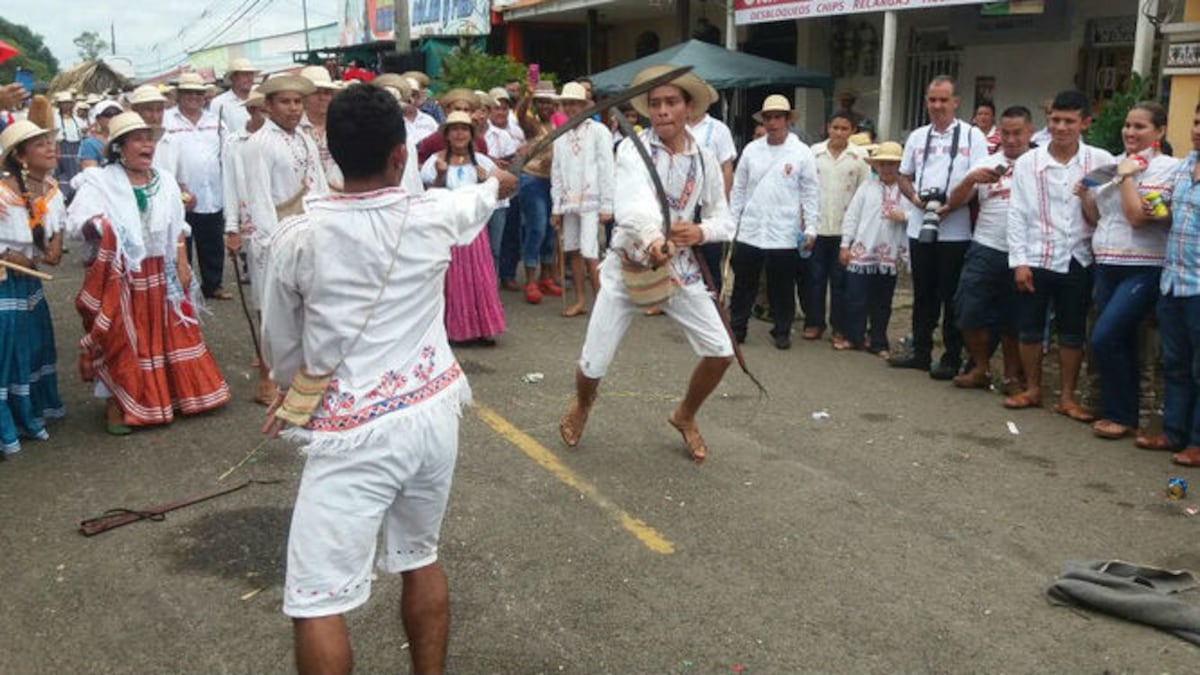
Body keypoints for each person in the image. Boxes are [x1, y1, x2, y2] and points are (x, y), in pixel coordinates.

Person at [260, 84, 516, 674]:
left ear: (331, 154)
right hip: (433, 419)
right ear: (401, 157)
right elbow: (482, 196)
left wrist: (287, 388)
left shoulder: (298, 238)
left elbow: (282, 345)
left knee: (316, 599)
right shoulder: (431, 214)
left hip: (356, 435)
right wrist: (499, 183)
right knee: (419, 556)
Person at [558, 65, 734, 464]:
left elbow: (724, 219)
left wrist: (701, 233)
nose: (662, 111)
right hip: (629, 266)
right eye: (655, 104)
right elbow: (634, 205)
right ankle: (584, 403)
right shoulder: (631, 150)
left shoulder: (705, 159)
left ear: (689, 108)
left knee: (721, 352)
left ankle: (684, 415)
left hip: (679, 270)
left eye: (671, 102)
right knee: (592, 362)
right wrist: (656, 240)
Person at [67, 112, 230, 434]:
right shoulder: (101, 180)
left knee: (169, 335)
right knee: (123, 339)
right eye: (138, 139)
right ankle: (119, 403)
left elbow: (177, 227)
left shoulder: (165, 180)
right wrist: (102, 226)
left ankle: (169, 395)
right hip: (123, 275)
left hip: (162, 271)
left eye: (149, 139)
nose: (147, 145)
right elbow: (76, 222)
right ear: (120, 147)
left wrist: (183, 265)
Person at [1005, 90, 1114, 419]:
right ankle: (1033, 388)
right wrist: (1019, 261)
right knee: (1029, 328)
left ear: (1084, 123)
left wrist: (1087, 198)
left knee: (1071, 331)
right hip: (1037, 255)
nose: (1061, 127)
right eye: (1055, 120)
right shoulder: (1029, 162)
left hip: (1078, 257)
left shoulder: (1100, 161)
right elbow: (1018, 213)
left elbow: (1105, 211)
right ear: (1047, 121)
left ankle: (1067, 396)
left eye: (1069, 121)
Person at [1079, 102, 1177, 440]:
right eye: (1127, 125)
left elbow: (1143, 217)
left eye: (1140, 127)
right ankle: (1118, 410)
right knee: (1114, 339)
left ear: (1160, 131)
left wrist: (1128, 177)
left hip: (1143, 265)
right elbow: (1096, 217)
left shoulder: (1169, 169)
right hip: (1106, 263)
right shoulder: (1111, 166)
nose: (1130, 132)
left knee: (1106, 336)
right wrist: (1086, 195)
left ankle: (1124, 414)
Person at [892, 75, 989, 379]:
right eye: (932, 100)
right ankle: (920, 352)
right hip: (920, 226)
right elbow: (903, 176)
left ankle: (951, 356)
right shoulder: (919, 136)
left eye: (943, 100)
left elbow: (978, 179)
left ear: (956, 102)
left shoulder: (973, 137)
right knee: (923, 293)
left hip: (956, 229)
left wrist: (953, 204)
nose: (937, 105)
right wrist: (916, 199)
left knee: (951, 295)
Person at [944, 105, 1035, 393]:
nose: (1010, 139)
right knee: (967, 309)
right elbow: (955, 201)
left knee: (1014, 318)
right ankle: (981, 367)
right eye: (1005, 133)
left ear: (1030, 132)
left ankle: (1011, 376)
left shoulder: (1038, 164)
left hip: (1025, 252)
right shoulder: (985, 162)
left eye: (1017, 133)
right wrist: (971, 179)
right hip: (985, 246)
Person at [728, 94, 819, 350]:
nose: (773, 122)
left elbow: (811, 192)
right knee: (744, 283)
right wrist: (732, 223)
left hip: (784, 230)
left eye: (778, 117)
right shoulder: (751, 149)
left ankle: (781, 329)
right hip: (751, 228)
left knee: (782, 285)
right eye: (768, 117)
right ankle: (737, 328)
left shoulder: (801, 152)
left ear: (788, 120)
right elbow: (739, 188)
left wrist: (811, 226)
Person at [0, 121, 66, 454]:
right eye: (40, 145)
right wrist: (8, 253)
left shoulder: (52, 189)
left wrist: (55, 244)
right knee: (6, 351)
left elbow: (54, 240)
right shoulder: (2, 193)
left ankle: (30, 412)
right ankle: (8, 423)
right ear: (21, 156)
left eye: (50, 142)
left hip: (29, 284)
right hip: (4, 284)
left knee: (33, 345)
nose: (51, 148)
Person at [420, 111, 507, 345]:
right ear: (447, 135)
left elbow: (497, 193)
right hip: (447, 227)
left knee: (480, 276)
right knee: (453, 277)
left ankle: (482, 328)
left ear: (471, 134)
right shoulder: (434, 161)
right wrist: (439, 176)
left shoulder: (483, 162)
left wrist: (483, 182)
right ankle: (456, 329)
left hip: (475, 229)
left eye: (464, 129)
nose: (459, 134)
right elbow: (430, 196)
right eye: (454, 129)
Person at [1151, 103, 1200, 466]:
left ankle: (1196, 441)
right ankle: (1173, 432)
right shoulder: (1184, 167)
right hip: (1173, 282)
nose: (1197, 129)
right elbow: (1167, 214)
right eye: (1196, 121)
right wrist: (1155, 206)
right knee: (1176, 363)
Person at [158, 73, 228, 301]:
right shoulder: (167, 121)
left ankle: (213, 285)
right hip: (180, 192)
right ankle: (182, 285)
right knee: (181, 242)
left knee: (213, 242)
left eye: (198, 93)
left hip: (212, 192)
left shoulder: (215, 121)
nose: (194, 97)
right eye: (188, 92)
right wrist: (177, 187)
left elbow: (227, 154)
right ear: (178, 94)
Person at [838, 142, 910, 356]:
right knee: (855, 296)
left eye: (892, 164)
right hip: (863, 250)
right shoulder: (867, 187)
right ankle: (854, 336)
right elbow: (852, 216)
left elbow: (918, 216)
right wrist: (844, 245)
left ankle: (878, 340)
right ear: (876, 166)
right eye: (883, 164)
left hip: (888, 253)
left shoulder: (906, 190)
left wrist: (904, 216)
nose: (887, 168)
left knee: (883, 301)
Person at [550, 82, 614, 318]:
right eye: (566, 104)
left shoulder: (599, 131)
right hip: (568, 200)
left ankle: (602, 304)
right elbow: (556, 173)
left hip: (591, 199)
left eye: (575, 104)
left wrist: (607, 205)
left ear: (584, 105)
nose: (570, 108)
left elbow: (608, 169)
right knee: (573, 250)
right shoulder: (560, 135)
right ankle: (580, 299)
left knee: (590, 252)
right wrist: (556, 207)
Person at [809, 112, 869, 345]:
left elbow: (864, 194)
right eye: (835, 127)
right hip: (818, 226)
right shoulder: (813, 153)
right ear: (828, 127)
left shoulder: (860, 156)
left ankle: (839, 327)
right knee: (814, 279)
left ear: (852, 131)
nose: (839, 132)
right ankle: (814, 323)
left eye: (844, 128)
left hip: (845, 230)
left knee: (840, 281)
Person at [516, 81, 563, 304]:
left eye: (549, 102)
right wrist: (528, 93)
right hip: (532, 180)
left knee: (549, 230)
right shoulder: (533, 126)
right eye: (541, 102)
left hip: (552, 183)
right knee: (536, 228)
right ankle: (531, 281)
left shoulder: (557, 126)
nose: (546, 106)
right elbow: (521, 113)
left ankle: (546, 277)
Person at [688, 87, 737, 295]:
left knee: (709, 254)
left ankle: (713, 296)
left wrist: (723, 202)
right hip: (683, 202)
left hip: (707, 201)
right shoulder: (678, 126)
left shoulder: (718, 129)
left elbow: (726, 167)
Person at [484, 87, 523, 284]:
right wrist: (492, 163)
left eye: (504, 108)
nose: (500, 112)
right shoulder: (471, 134)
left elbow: (513, 165)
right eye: (496, 108)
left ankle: (495, 283)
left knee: (498, 245)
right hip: (479, 196)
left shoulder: (509, 134)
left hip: (503, 195)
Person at [299, 65, 340, 183]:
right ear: (303, 97)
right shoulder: (295, 130)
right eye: (316, 93)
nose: (322, 98)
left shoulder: (340, 126)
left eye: (327, 93)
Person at [211, 58, 259, 139]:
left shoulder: (260, 99)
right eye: (244, 75)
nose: (249, 78)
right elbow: (215, 134)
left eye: (251, 74)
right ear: (233, 77)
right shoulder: (219, 103)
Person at [78, 101, 122, 170]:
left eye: (118, 114)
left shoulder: (127, 139)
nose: (114, 117)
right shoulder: (90, 144)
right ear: (98, 119)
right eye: (108, 114)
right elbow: (91, 174)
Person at [53, 91, 83, 191]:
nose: (67, 105)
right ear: (59, 105)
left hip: (76, 148)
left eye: (68, 103)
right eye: (64, 103)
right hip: (62, 148)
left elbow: (83, 131)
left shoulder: (77, 119)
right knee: (61, 175)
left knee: (75, 173)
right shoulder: (55, 118)